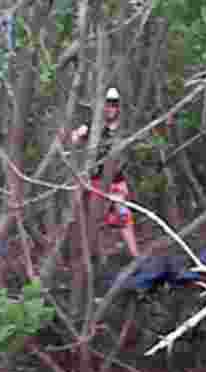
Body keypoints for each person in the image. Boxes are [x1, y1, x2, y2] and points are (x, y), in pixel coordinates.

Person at [64, 87, 139, 257]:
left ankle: (135, 255)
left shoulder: (122, 128)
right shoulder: (93, 126)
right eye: (107, 103)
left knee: (124, 216)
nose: (110, 107)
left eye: (114, 104)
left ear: (118, 106)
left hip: (116, 181)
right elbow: (73, 139)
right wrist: (77, 134)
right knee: (94, 217)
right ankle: (95, 256)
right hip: (95, 181)